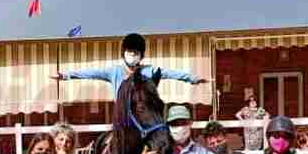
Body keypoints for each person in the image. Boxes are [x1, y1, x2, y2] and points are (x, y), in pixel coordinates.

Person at [51, 33, 205, 99]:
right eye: (129, 51)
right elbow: (90, 72)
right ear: (123, 53)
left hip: (143, 113)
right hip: (122, 114)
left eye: (136, 52)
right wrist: (65, 76)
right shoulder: (113, 71)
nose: (132, 55)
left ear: (141, 56)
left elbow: (172, 73)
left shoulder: (149, 71)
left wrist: (193, 78)